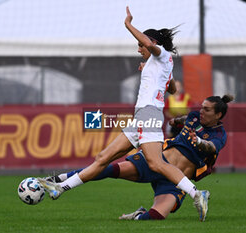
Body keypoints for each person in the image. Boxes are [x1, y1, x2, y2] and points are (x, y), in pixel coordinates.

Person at [38, 6, 209, 221]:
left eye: (141, 45)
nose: (140, 49)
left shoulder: (161, 54)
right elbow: (173, 88)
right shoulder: (160, 63)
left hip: (149, 115)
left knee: (156, 164)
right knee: (102, 158)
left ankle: (197, 194)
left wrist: (128, 25)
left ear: (153, 44)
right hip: (141, 118)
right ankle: (60, 188)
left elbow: (149, 45)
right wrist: (152, 74)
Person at [44, 95, 234, 221]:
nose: (201, 111)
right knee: (110, 169)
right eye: (202, 107)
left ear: (218, 114)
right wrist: (177, 121)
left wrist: (199, 142)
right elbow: (185, 119)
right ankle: (56, 180)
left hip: (176, 182)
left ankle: (137, 215)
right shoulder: (193, 117)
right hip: (156, 161)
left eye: (207, 110)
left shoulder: (219, 135)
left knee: (156, 216)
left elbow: (210, 147)